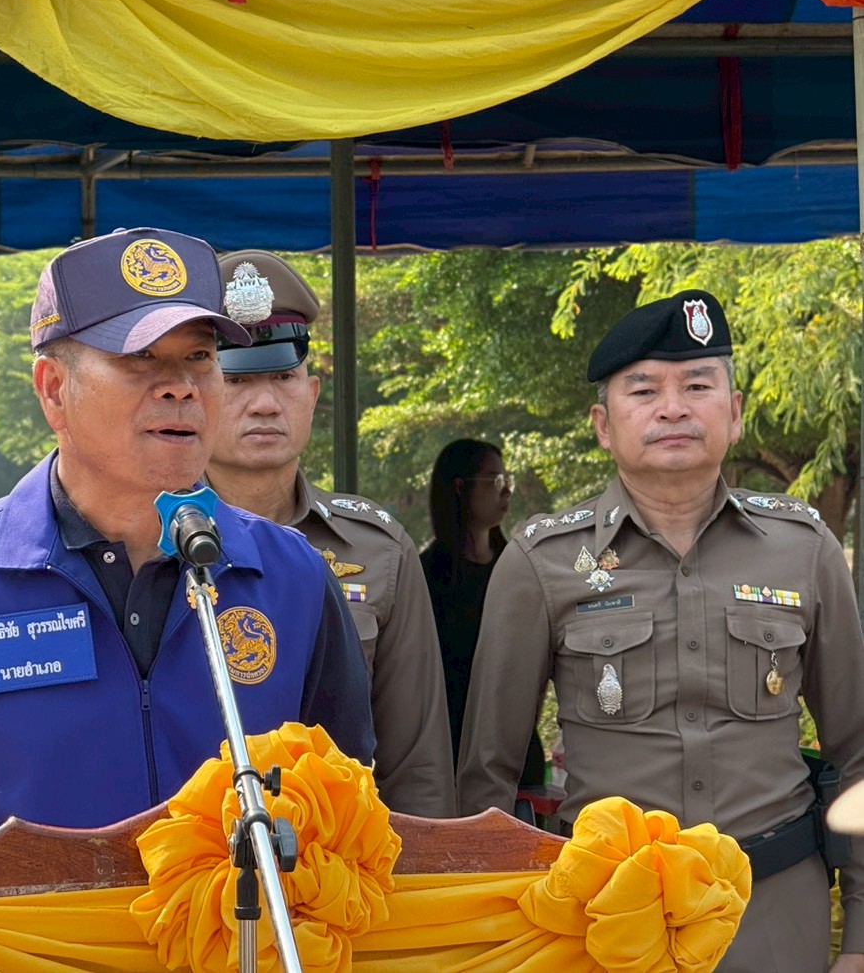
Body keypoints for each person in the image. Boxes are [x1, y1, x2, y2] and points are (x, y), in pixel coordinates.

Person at [0, 228, 375, 862]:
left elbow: (346, 800)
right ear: (54, 390)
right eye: (139, 359)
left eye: (201, 358)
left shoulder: (294, 578)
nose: (181, 387)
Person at [456, 290, 864, 973]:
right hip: (600, 921)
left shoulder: (803, 549)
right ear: (602, 424)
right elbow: (487, 776)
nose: (672, 407)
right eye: (643, 389)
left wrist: (857, 940)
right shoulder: (541, 561)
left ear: (732, 415)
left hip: (773, 915)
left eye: (697, 386)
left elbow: (856, 753)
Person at [205, 249, 453, 817]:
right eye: (237, 380)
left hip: (343, 873)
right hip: (190, 862)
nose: (266, 403)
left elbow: (418, 767)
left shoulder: (377, 548)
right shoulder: (152, 538)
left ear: (312, 394)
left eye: (284, 377)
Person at [421, 439, 545, 791]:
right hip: (449, 750)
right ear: (460, 487)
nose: (506, 492)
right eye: (494, 481)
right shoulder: (427, 575)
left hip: (518, 754)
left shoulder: (519, 566)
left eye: (508, 480)